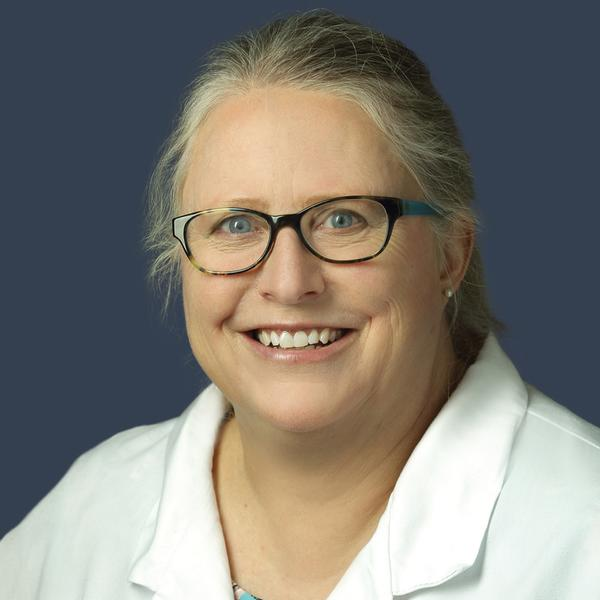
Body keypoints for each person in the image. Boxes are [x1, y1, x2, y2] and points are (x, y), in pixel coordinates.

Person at [1, 9, 599, 600]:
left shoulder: (582, 533)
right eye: (236, 224)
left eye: (344, 220)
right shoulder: (85, 519)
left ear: (451, 253)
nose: (288, 284)